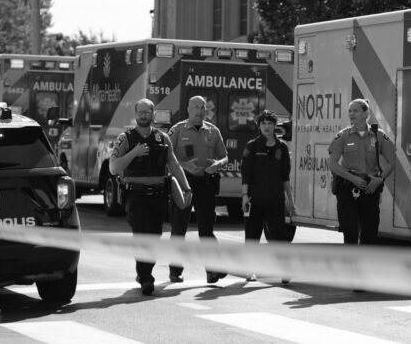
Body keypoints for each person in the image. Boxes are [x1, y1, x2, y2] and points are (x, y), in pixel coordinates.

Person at [110, 98, 192, 296]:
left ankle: (145, 272)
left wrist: (186, 187)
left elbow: (173, 164)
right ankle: (146, 277)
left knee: (154, 237)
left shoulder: (163, 138)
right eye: (141, 112)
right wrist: (133, 153)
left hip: (158, 196)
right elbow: (113, 167)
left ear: (153, 114)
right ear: (136, 114)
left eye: (148, 112)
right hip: (136, 196)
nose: (144, 115)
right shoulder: (126, 138)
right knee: (141, 236)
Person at [167, 95, 228, 284]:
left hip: (206, 184)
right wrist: (185, 166)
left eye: (203, 107)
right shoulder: (176, 130)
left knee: (206, 229)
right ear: (188, 109)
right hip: (184, 184)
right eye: (196, 107)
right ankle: (175, 271)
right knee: (179, 228)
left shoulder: (213, 131)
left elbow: (225, 157)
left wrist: (217, 165)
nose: (200, 111)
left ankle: (213, 270)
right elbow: (167, 159)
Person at [328, 98, 394, 246]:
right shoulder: (343, 135)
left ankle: (365, 264)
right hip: (347, 187)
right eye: (350, 111)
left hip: (371, 187)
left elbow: (392, 161)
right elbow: (332, 164)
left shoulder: (379, 135)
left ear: (366, 114)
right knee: (349, 231)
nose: (351, 114)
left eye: (355, 110)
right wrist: (352, 178)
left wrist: (380, 179)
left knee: (370, 233)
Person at [241, 110, 295, 282]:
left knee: (279, 236)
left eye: (270, 123)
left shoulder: (282, 147)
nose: (267, 126)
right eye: (263, 123)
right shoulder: (252, 146)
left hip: (275, 200)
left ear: (274, 126)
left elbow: (285, 176)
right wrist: (244, 196)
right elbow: (246, 174)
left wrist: (290, 201)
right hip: (254, 201)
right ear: (259, 126)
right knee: (252, 236)